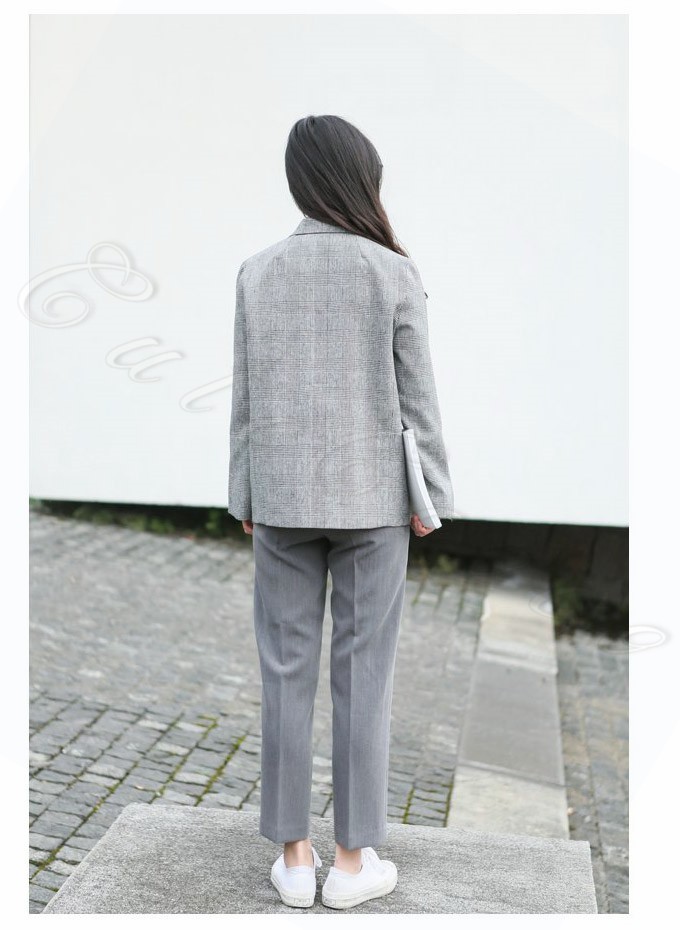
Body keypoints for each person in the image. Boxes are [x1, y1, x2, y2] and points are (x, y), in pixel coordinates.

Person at [228, 114, 455, 910]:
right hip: (374, 503)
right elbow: (419, 401)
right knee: (364, 677)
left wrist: (244, 494)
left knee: (284, 672)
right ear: (361, 179)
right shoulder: (392, 272)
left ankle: (295, 861)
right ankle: (353, 864)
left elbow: (245, 402)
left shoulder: (257, 272)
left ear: (300, 181)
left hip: (282, 500)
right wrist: (433, 498)